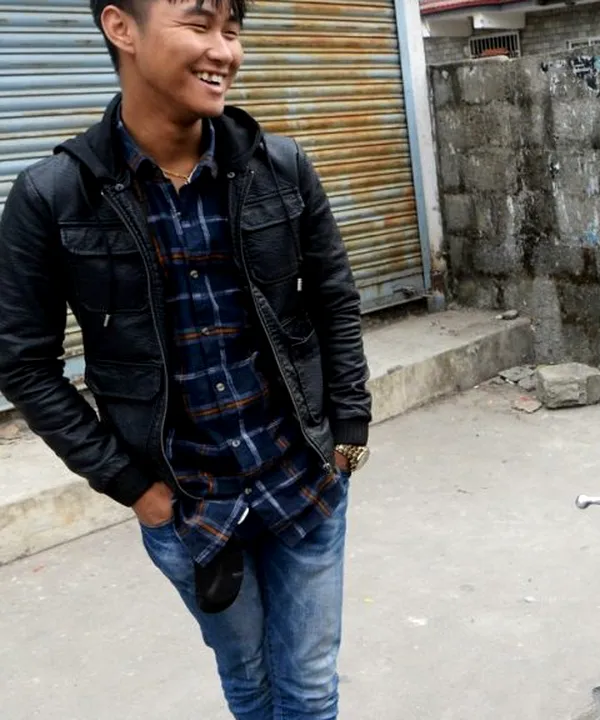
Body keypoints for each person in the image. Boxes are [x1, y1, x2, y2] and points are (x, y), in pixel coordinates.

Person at [0, 1, 372, 718]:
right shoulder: (52, 197)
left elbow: (335, 300)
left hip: (304, 484)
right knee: (251, 686)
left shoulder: (279, 164)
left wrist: (348, 433)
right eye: (199, 25)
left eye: (232, 31)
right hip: (190, 508)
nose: (224, 51)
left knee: (309, 688)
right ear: (122, 28)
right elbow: (24, 364)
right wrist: (134, 487)